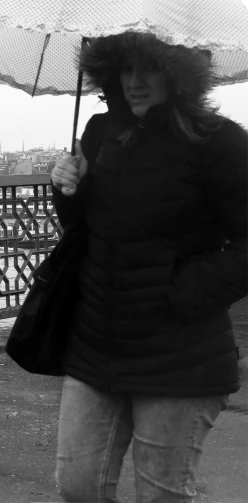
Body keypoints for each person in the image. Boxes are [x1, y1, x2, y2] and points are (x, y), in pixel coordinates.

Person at [49, 32, 248, 502]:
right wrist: (66, 189)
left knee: (162, 495)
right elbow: (87, 230)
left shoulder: (219, 141)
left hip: (181, 353)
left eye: (150, 68)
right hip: (96, 344)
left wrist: (179, 292)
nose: (135, 81)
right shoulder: (99, 131)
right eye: (125, 68)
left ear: (178, 73)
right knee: (78, 487)